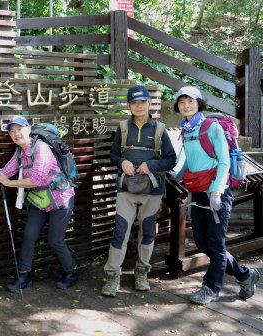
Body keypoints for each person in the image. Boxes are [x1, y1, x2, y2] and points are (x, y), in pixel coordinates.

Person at [174, 86, 260, 305]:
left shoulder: (211, 126)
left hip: (216, 193)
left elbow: (223, 161)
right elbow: (190, 160)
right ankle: (244, 275)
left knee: (215, 244)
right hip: (197, 192)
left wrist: (216, 191)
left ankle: (210, 288)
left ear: (199, 103)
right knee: (205, 245)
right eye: (182, 102)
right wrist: (177, 173)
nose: (186, 105)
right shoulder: (187, 129)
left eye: (190, 101)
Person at [0, 115, 77, 293]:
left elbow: (37, 179)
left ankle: (71, 272)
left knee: (55, 240)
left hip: (61, 198)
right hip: (39, 200)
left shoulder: (41, 148)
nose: (15, 134)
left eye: (19, 129)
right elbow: (3, 174)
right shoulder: (20, 152)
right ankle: (24, 276)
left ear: (28, 129)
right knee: (28, 236)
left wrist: (9, 183)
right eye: (12, 131)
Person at [101, 85, 176, 297]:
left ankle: (142, 272)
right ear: (129, 106)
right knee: (120, 232)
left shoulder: (160, 129)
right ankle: (112, 275)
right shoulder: (123, 128)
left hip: (152, 190)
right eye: (134, 103)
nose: (139, 106)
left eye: (142, 102)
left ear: (149, 104)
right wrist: (122, 161)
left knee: (148, 233)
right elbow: (113, 155)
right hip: (126, 189)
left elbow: (171, 160)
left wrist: (151, 165)